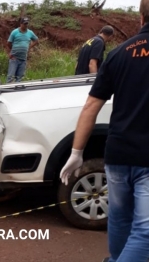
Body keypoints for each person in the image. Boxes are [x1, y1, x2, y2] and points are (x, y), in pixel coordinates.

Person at [60, 1, 149, 261]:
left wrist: (77, 152)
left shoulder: (119, 53)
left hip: (118, 156)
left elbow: (90, 107)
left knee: (120, 219)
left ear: (141, 18)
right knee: (146, 233)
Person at [6, 17, 39, 83]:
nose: (26, 25)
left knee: (19, 78)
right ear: (20, 24)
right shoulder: (15, 32)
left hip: (23, 59)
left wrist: (29, 47)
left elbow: (36, 40)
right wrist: (12, 51)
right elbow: (9, 43)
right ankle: (8, 91)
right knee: (10, 77)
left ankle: (17, 91)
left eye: (27, 24)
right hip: (14, 58)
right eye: (24, 24)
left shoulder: (30, 32)